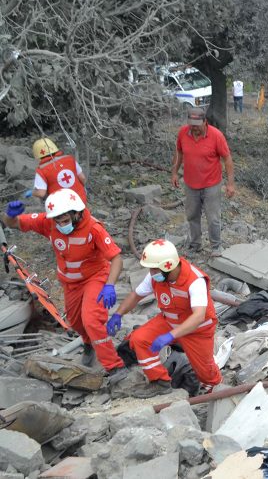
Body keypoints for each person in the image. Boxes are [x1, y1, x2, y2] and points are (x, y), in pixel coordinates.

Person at [2, 190, 127, 383]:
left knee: (92, 320)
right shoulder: (48, 222)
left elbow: (116, 258)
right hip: (71, 283)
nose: (61, 225)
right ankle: (88, 344)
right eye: (57, 221)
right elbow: (13, 223)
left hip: (94, 278)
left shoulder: (93, 228)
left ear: (76, 213)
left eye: (65, 220)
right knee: (76, 323)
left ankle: (114, 367)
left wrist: (109, 285)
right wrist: (10, 215)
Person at [107, 239, 221, 398]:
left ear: (168, 265)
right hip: (169, 321)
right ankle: (160, 382)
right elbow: (136, 295)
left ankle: (212, 388)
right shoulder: (155, 276)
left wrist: (171, 336)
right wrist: (118, 314)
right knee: (139, 339)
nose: (151, 273)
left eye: (154, 269)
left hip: (197, 330)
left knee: (205, 372)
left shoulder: (195, 281)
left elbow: (198, 316)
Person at [170, 107, 236, 257]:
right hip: (191, 183)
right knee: (192, 215)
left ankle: (216, 246)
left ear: (205, 122)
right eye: (191, 124)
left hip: (211, 184)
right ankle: (195, 245)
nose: (194, 128)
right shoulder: (183, 133)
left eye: (197, 124)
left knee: (213, 217)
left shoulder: (216, 136)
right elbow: (179, 152)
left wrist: (230, 183)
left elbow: (227, 159)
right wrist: (174, 172)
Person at [31, 138, 87, 202]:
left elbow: (41, 193)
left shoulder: (41, 170)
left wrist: (32, 192)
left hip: (61, 205)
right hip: (80, 198)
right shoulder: (70, 159)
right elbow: (82, 178)